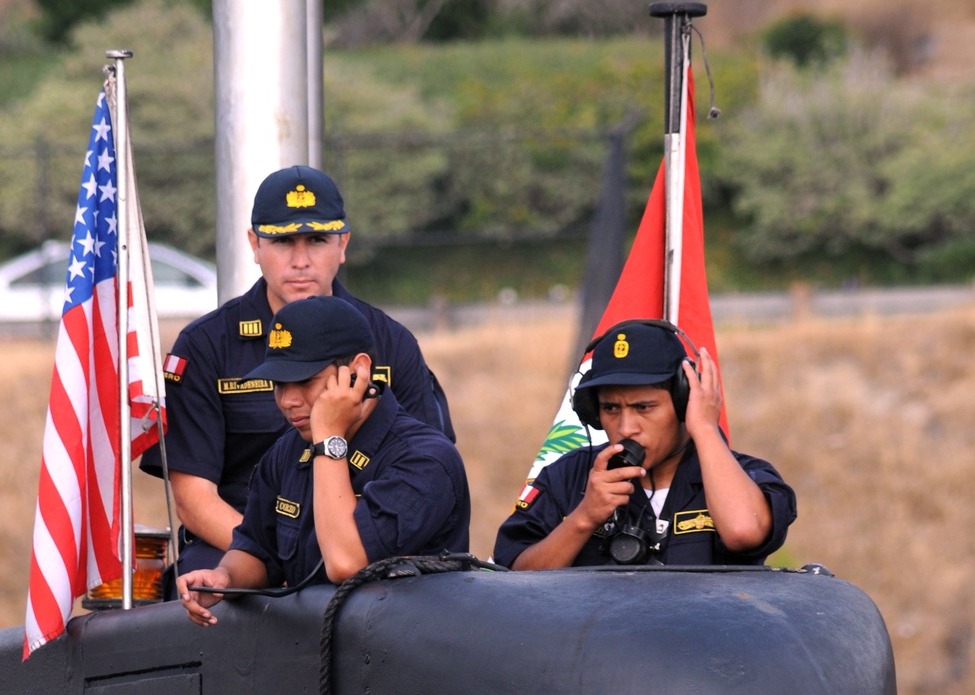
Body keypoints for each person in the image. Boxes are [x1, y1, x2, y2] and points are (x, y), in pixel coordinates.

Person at [142, 165, 454, 574]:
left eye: (317, 240)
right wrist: (280, 559)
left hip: (371, 540)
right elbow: (194, 499)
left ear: (343, 243)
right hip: (240, 543)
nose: (301, 260)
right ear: (255, 245)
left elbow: (426, 473)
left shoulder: (392, 343)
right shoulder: (205, 346)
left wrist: (333, 551)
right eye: (283, 241)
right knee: (210, 594)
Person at [178, 298, 469, 626]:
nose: (288, 400)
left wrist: (329, 438)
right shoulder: (287, 450)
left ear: (358, 371)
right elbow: (259, 548)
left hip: (410, 658)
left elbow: (346, 563)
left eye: (304, 381)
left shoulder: (425, 459)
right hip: (316, 657)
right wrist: (224, 578)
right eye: (278, 385)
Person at [493, 320, 795, 570]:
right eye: (611, 409)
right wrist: (584, 518)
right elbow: (519, 581)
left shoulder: (744, 475)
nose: (626, 428)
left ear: (683, 402)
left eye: (644, 408)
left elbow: (744, 532)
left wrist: (704, 428)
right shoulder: (566, 478)